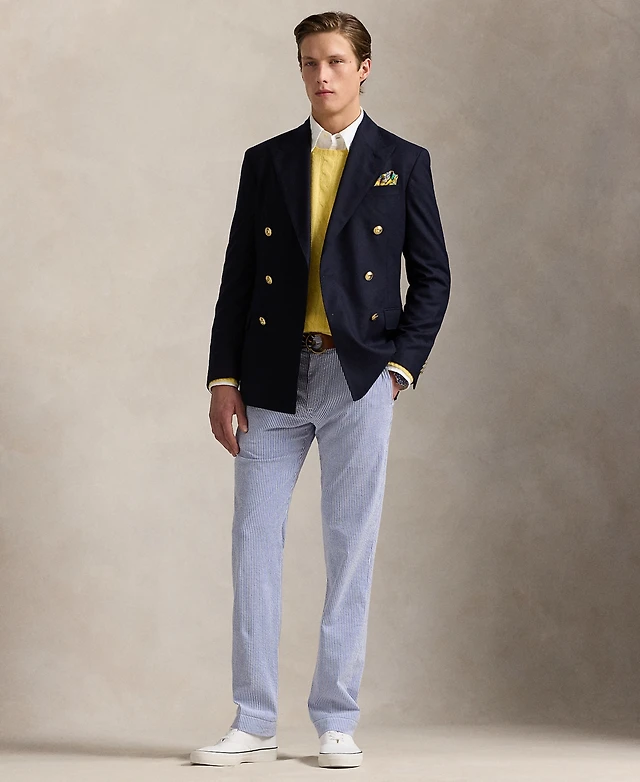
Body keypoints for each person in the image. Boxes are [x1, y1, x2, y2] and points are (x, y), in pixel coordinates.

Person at [190, 10, 450, 769]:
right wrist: (223, 377)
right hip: (270, 375)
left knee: (349, 546)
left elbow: (433, 277)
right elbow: (238, 277)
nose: (322, 75)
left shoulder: (403, 160)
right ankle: (254, 718)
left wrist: (399, 367)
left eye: (335, 61)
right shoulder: (266, 160)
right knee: (253, 544)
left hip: (357, 375)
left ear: (363, 68)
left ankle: (337, 719)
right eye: (309, 62)